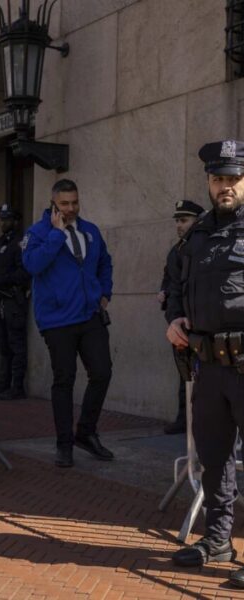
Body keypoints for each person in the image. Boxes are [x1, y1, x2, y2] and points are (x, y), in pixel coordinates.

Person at [166, 140, 244, 586]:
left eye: (233, 178)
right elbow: (176, 283)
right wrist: (174, 316)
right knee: (213, 460)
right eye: (218, 179)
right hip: (209, 366)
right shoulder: (196, 234)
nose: (225, 186)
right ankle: (217, 540)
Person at [22, 179, 113, 469]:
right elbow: (32, 265)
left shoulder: (91, 231)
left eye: (75, 202)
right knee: (65, 380)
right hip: (57, 320)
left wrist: (105, 293)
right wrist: (56, 235)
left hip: (90, 316)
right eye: (65, 204)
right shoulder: (37, 233)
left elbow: (104, 263)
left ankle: (85, 432)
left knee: (102, 372)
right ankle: (64, 444)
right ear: (53, 204)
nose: (71, 208)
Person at [157, 200, 205, 435]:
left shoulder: (203, 247)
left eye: (183, 220)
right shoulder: (176, 250)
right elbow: (171, 280)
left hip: (200, 322)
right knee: (184, 375)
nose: (178, 225)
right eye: (177, 220)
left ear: (198, 221)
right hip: (178, 322)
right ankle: (184, 418)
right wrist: (163, 291)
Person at [0, 203, 30, 401]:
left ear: (16, 221)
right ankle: (3, 383)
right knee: (3, 345)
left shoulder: (21, 243)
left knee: (16, 345)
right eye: (2, 219)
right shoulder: (2, 242)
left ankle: (16, 386)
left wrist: (0, 279)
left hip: (12, 301)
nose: (3, 223)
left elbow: (24, 272)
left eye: (7, 219)